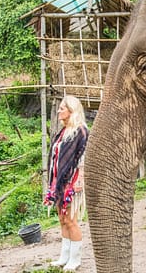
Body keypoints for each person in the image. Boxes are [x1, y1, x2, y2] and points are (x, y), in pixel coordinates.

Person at [44, 95, 89, 271]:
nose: (59, 110)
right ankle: (65, 256)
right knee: (62, 219)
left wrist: (80, 179)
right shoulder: (63, 132)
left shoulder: (81, 131)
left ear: (71, 110)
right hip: (59, 180)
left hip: (72, 180)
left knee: (71, 220)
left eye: (62, 108)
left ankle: (75, 259)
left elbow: (84, 158)